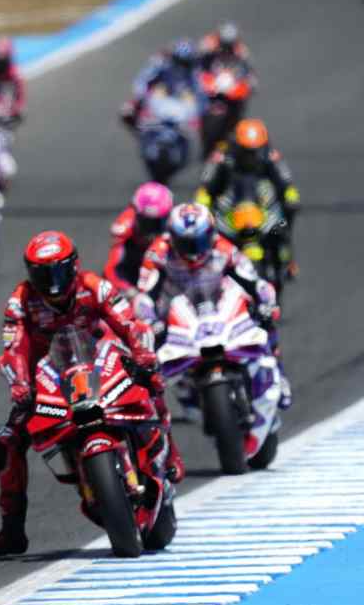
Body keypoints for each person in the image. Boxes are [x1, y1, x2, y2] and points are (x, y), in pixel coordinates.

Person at [0, 231, 183, 557]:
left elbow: (128, 322)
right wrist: (20, 383)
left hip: (100, 360)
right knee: (6, 445)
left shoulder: (94, 286)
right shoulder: (20, 301)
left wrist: (141, 353)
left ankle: (170, 456)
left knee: (151, 381)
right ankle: (12, 529)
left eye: (59, 271)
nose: (53, 282)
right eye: (43, 274)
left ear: (73, 265)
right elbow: (14, 348)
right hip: (47, 375)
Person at [135, 203, 291, 410]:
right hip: (176, 313)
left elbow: (256, 283)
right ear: (172, 238)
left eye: (200, 241)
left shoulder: (224, 249)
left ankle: (278, 372)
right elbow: (144, 297)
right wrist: (150, 321)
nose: (194, 251)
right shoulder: (158, 255)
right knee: (144, 344)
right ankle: (153, 404)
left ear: (210, 234)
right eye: (186, 243)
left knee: (264, 319)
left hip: (218, 306)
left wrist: (266, 304)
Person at [196, 118, 300, 278]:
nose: (252, 157)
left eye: (255, 151)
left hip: (265, 212)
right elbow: (206, 185)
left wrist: (290, 196)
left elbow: (286, 182)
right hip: (228, 214)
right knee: (205, 231)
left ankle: (285, 257)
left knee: (283, 222)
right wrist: (203, 201)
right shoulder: (221, 157)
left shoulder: (271, 157)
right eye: (246, 152)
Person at [104, 182, 174, 296]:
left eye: (162, 221)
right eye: (151, 223)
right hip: (133, 277)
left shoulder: (175, 226)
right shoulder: (123, 227)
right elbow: (112, 268)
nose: (156, 229)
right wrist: (129, 291)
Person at [120, 38, 203, 131]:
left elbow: (198, 93)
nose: (181, 67)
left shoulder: (192, 72)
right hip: (156, 100)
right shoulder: (160, 63)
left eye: (185, 64)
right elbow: (142, 80)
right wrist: (141, 98)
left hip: (177, 103)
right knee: (128, 111)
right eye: (179, 62)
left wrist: (198, 113)